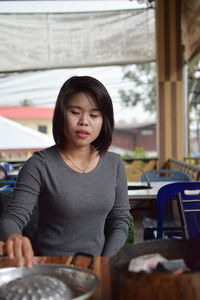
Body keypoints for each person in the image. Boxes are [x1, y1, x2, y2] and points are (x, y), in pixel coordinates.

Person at [0, 76, 130, 268]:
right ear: (62, 115)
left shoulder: (114, 163)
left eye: (94, 115)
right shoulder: (39, 165)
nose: (84, 121)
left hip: (97, 265)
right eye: (75, 112)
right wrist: (14, 237)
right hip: (50, 265)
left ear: (104, 121)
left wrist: (106, 262)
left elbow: (120, 220)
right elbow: (13, 217)